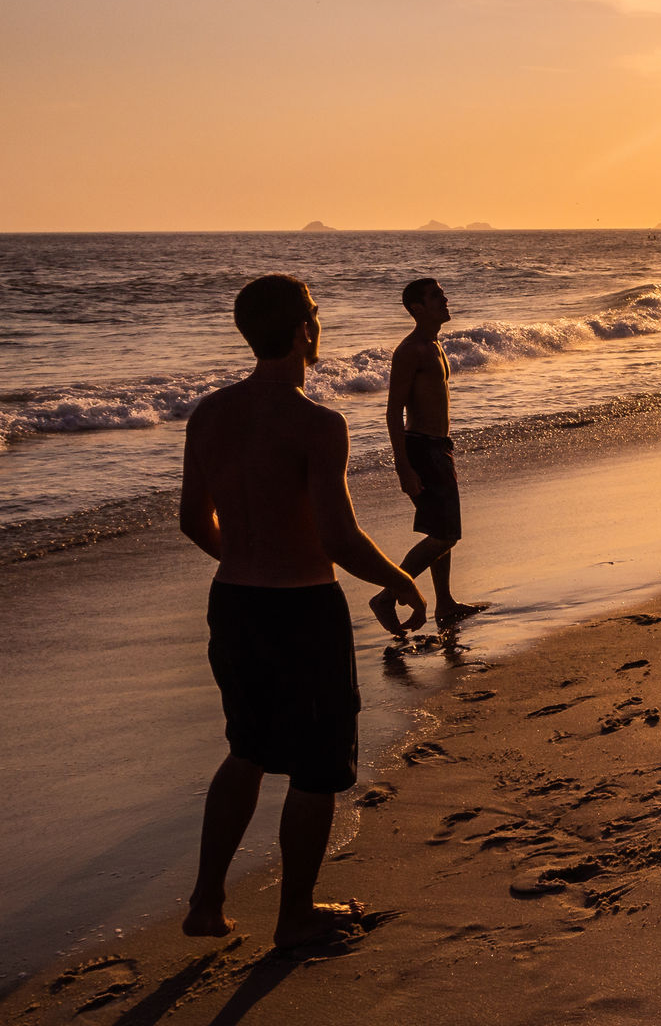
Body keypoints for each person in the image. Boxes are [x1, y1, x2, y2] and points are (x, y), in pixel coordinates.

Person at [178, 274, 425, 949]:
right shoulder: (317, 423)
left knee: (247, 749)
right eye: (315, 314)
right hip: (301, 612)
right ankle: (293, 918)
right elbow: (338, 538)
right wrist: (402, 579)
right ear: (301, 331)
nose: (320, 323)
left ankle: (206, 901)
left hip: (233, 604)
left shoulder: (209, 414)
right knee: (317, 767)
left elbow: (191, 520)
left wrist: (248, 559)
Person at [369, 278, 484, 632]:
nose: (445, 299)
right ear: (417, 308)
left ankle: (445, 603)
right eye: (436, 296)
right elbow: (392, 413)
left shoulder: (435, 344)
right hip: (421, 447)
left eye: (443, 294)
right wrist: (403, 467)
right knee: (445, 535)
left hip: (438, 446)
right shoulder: (411, 350)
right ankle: (387, 597)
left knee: (440, 529)